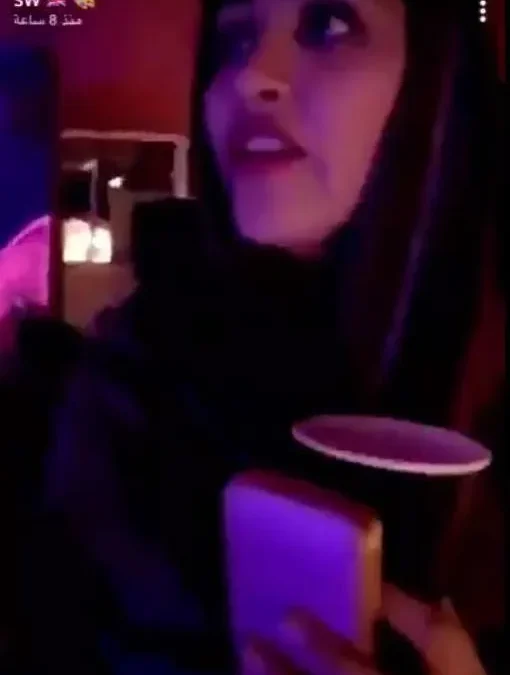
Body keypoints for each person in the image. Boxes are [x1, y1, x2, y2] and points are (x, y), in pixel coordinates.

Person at [41, 0, 504, 674]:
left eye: (329, 25)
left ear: (434, 82)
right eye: (233, 40)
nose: (248, 75)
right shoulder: (125, 395)